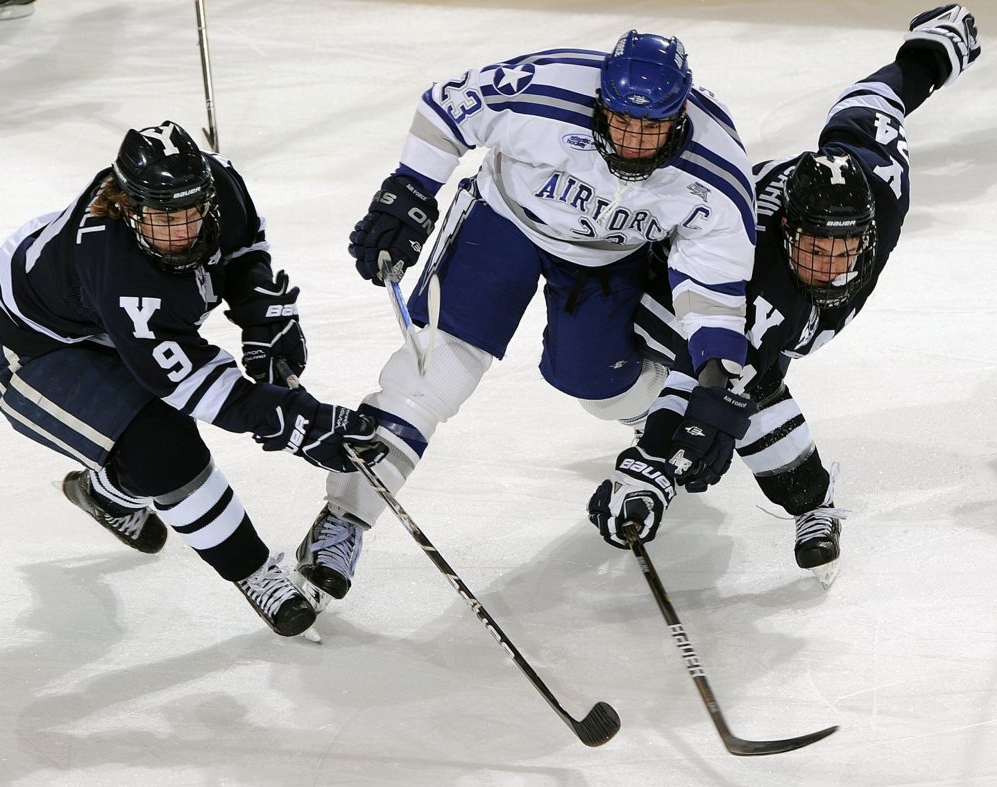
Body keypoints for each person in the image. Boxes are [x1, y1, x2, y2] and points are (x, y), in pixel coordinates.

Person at [293, 30, 759, 610]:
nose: (635, 141)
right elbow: (446, 106)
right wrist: (408, 191)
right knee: (438, 367)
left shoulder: (716, 169)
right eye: (621, 120)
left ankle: (651, 416)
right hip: (504, 219)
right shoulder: (547, 87)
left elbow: (713, 290)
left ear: (681, 114)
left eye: (653, 126)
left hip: (607, 258)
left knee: (594, 381)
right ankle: (346, 515)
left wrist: (710, 387)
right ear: (600, 102)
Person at [588, 6, 981, 588]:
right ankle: (809, 501)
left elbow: (874, 102)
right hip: (666, 281)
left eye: (842, 252)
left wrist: (935, 48)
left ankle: (804, 501)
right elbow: (715, 380)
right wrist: (654, 471)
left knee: (747, 378)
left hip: (757, 310)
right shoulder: (757, 264)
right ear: (788, 232)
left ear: (869, 233)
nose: (827, 269)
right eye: (814, 250)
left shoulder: (879, 183)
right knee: (733, 381)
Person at [0, 121, 385, 636]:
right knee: (163, 449)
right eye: (162, 218)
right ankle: (256, 573)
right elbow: (193, 383)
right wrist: (294, 420)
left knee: (147, 458)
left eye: (192, 213)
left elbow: (243, 250)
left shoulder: (221, 183)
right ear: (127, 206)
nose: (182, 232)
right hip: (34, 347)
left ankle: (109, 494)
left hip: (99, 317)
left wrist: (261, 318)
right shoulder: (116, 264)